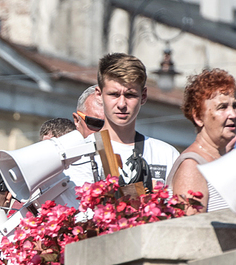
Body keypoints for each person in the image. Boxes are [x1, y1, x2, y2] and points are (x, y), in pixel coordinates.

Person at [74, 53, 179, 189]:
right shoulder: (78, 155)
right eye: (114, 94)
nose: (122, 104)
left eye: (130, 95)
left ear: (143, 96)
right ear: (99, 95)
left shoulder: (166, 155)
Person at [166, 69, 236, 212]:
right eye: (222, 107)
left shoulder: (225, 157)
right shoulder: (192, 166)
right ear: (198, 117)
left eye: (235, 106)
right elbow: (191, 224)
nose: (233, 114)